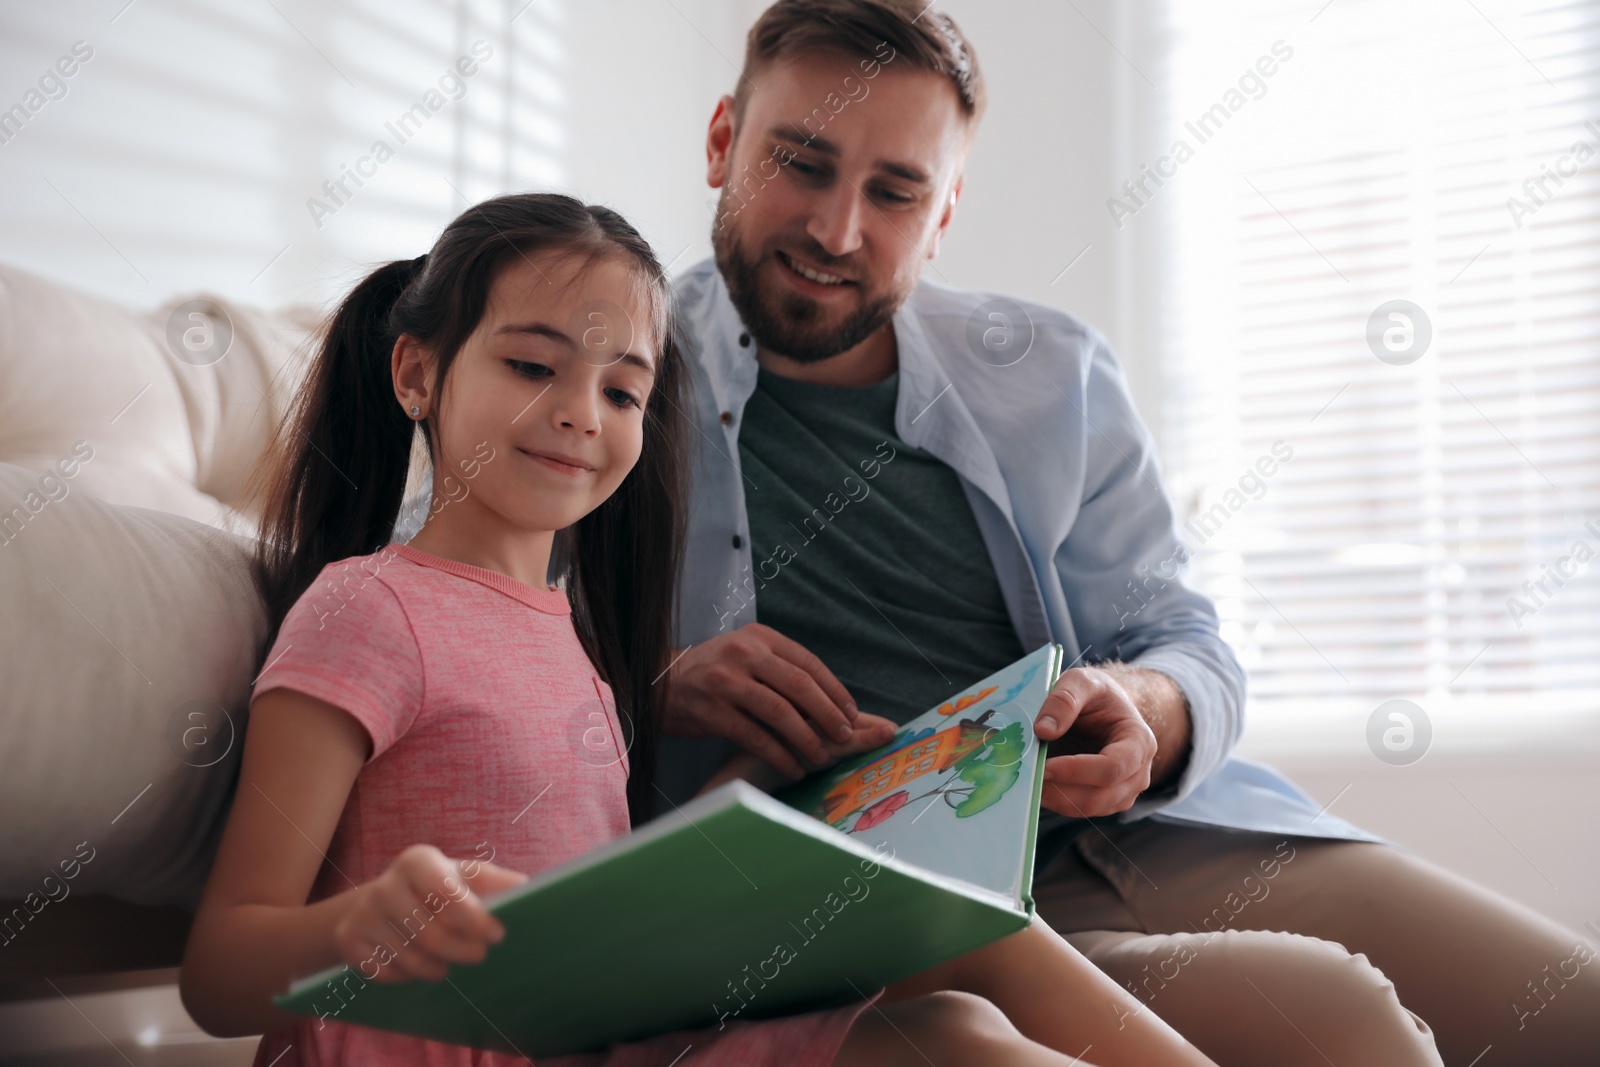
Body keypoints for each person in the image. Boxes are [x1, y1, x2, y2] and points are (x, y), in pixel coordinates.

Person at [652, 3, 1600, 1065]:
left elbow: (1187, 640)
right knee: (1348, 1018)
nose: (837, 229)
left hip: (1146, 832)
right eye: (802, 163)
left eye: (894, 191)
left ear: (946, 208)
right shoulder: (598, 386)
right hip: (901, 906)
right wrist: (659, 681)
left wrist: (1144, 709)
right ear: (723, 141)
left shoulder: (1051, 372)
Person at [176, 191, 1219, 1067]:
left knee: (967, 952)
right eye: (533, 368)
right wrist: (357, 927)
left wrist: (819, 802)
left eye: (622, 388)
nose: (583, 412)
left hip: (608, 1031)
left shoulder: (575, 640)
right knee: (959, 1040)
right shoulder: (367, 608)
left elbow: (598, 901)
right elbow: (220, 973)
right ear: (416, 372)